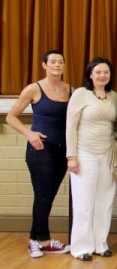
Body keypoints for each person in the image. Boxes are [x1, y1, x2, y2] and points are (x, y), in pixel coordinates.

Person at [6, 50, 71, 257]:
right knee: (43, 195)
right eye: (52, 62)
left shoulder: (71, 90)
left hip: (63, 150)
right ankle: (42, 240)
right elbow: (11, 117)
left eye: (60, 62)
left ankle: (35, 240)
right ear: (44, 65)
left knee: (48, 196)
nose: (57, 65)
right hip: (41, 149)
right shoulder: (34, 89)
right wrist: (29, 133)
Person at [66, 57, 117, 261]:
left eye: (106, 72)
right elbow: (70, 126)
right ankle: (81, 247)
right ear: (90, 74)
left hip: (107, 153)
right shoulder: (80, 94)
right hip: (84, 152)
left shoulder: (114, 96)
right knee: (83, 201)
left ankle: (100, 243)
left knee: (105, 200)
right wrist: (72, 156)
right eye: (98, 72)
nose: (102, 75)